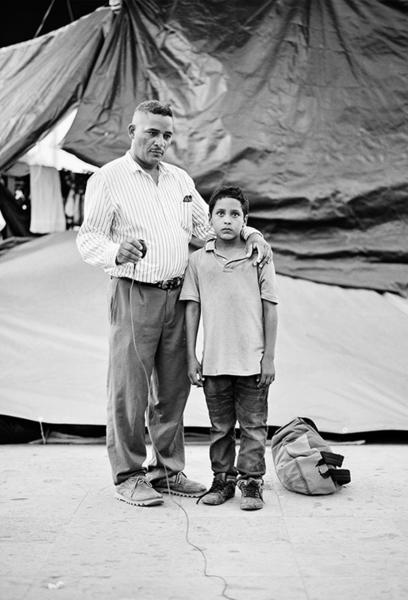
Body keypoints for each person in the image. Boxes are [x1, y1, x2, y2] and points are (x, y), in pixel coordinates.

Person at [77, 100, 272, 507]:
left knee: (173, 389)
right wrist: (116, 250)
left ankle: (166, 470)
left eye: (167, 135)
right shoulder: (108, 179)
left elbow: (209, 227)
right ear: (132, 131)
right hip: (134, 292)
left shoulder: (180, 181)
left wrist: (250, 234)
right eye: (152, 132)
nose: (160, 142)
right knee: (129, 390)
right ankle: (128, 475)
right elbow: (88, 238)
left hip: (179, 294)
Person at [181, 186, 278, 511]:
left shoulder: (259, 255)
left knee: (253, 427)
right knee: (220, 427)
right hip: (215, 363)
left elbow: (270, 307)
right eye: (220, 213)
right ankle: (222, 480)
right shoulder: (198, 260)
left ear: (245, 220)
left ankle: (251, 482)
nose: (227, 219)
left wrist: (269, 357)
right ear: (210, 220)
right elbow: (191, 309)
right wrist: (191, 356)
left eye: (235, 214)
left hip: (252, 362)